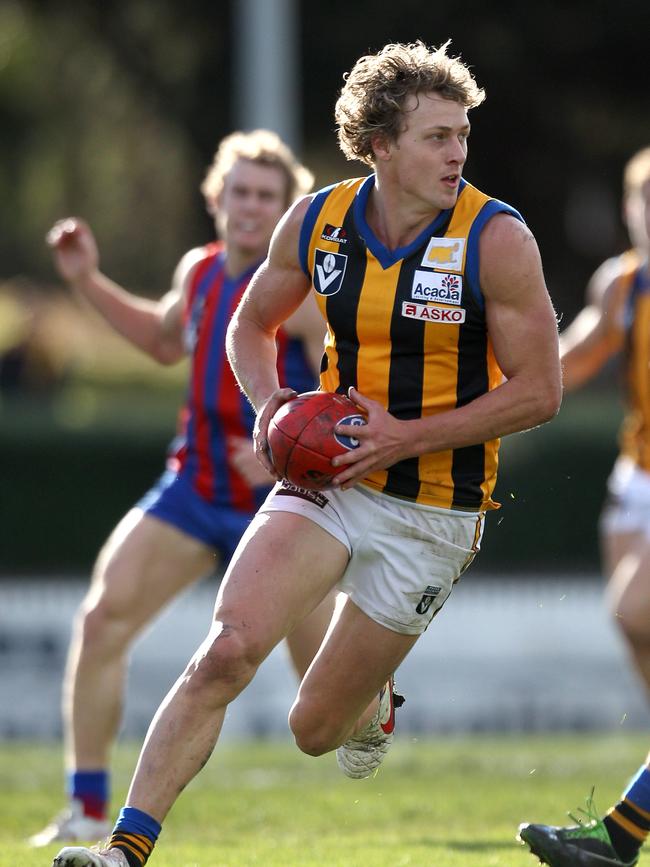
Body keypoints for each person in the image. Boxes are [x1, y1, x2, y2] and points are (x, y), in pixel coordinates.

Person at [52, 39, 561, 867]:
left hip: (435, 507)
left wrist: (405, 436)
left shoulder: (496, 238)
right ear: (380, 146)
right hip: (328, 482)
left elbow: (542, 391)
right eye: (437, 136)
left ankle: (370, 707)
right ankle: (122, 851)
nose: (458, 152)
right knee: (226, 652)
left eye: (462, 133)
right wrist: (272, 407)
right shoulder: (320, 220)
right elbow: (247, 327)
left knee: (314, 729)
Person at [31, 129, 333, 848]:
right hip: (193, 488)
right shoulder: (199, 273)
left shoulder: (301, 287)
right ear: (216, 198)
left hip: (282, 503)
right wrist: (85, 280)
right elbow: (166, 339)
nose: (252, 207)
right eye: (241, 192)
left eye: (268, 196)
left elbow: (339, 383)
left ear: (287, 208)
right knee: (102, 618)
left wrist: (290, 448)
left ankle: (368, 710)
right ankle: (87, 805)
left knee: (324, 687)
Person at [518, 147, 650, 866]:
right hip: (638, 476)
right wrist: (497, 400)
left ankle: (620, 834)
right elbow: (575, 358)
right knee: (634, 626)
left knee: (636, 608)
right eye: (646, 198)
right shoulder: (625, 284)